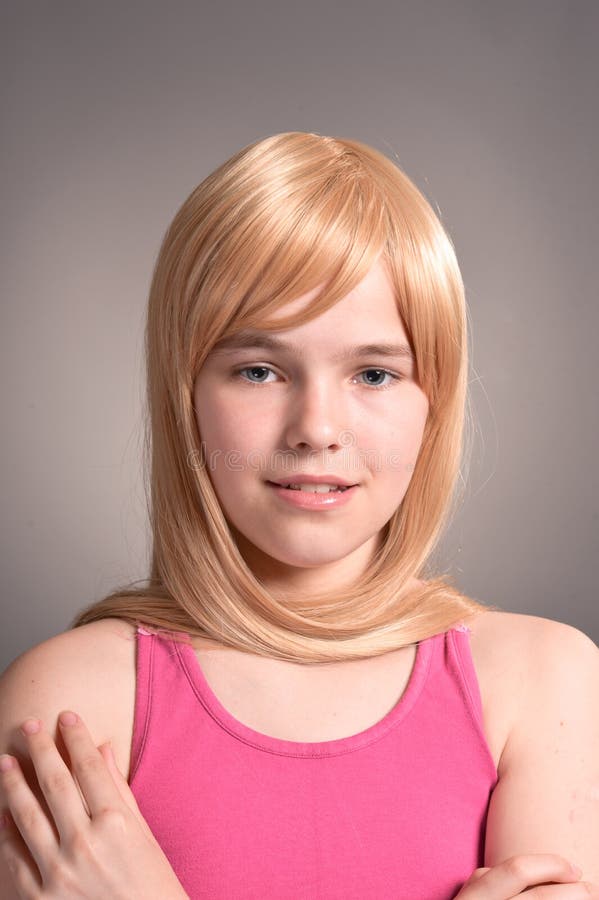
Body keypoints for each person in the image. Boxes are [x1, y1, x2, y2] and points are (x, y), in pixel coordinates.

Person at [0, 132, 597, 899]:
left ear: (434, 404)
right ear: (184, 397)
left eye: (374, 373)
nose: (316, 426)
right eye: (257, 370)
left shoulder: (538, 683)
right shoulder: (69, 703)